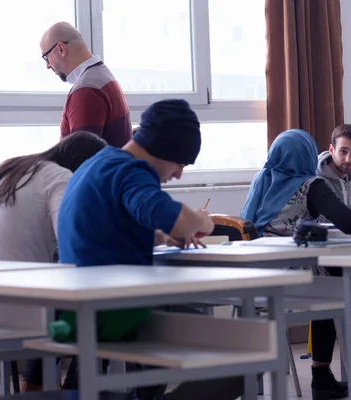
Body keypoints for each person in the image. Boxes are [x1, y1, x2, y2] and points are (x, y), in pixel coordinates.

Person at [56, 99, 246, 400]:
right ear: (167, 150)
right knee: (247, 352)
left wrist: (159, 237)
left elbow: (108, 228)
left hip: (81, 309)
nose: (179, 174)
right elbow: (176, 218)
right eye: (181, 163)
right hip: (117, 310)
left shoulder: (96, 164)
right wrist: (203, 221)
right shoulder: (133, 172)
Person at [0, 131, 107, 392]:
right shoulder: (60, 177)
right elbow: (70, 237)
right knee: (101, 315)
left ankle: (37, 384)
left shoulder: (7, 168)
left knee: (62, 304)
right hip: (19, 306)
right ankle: (71, 392)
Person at [240, 128, 351, 400]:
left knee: (329, 281)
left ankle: (249, 378)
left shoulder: (262, 178)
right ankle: (322, 376)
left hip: (254, 273)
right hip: (292, 274)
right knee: (335, 289)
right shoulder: (311, 184)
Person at [40, 21, 132, 147]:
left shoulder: (87, 89)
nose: (47, 66)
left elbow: (81, 158)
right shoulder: (101, 77)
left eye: (46, 57)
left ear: (61, 49)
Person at [317, 124, 351, 217]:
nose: (348, 159)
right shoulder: (316, 180)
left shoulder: (350, 177)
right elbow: (313, 223)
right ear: (331, 150)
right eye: (343, 151)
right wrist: (349, 217)